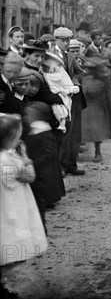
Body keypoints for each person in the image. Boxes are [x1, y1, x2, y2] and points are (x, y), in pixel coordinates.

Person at [0, 113, 48, 267]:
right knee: (14, 242)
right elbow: (29, 176)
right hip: (13, 207)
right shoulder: (11, 159)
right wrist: (26, 158)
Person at [22, 102, 66, 227]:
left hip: (42, 171)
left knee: (40, 199)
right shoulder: (30, 130)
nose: (26, 117)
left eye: (29, 114)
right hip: (34, 170)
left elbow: (50, 153)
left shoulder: (44, 133)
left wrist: (35, 164)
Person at [53, 28, 86, 175]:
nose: (66, 43)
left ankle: (71, 164)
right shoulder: (49, 56)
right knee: (61, 132)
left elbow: (80, 72)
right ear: (56, 40)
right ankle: (60, 166)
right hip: (57, 98)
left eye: (68, 40)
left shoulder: (70, 57)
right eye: (63, 40)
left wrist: (73, 83)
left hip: (73, 98)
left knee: (74, 132)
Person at [41, 51, 78, 133]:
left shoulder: (59, 74)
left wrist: (67, 91)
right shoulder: (42, 74)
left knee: (62, 109)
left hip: (62, 96)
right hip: (51, 100)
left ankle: (62, 123)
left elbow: (67, 84)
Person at [0, 49, 25, 115]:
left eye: (15, 72)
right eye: (9, 71)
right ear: (2, 68)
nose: (11, 75)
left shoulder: (14, 84)